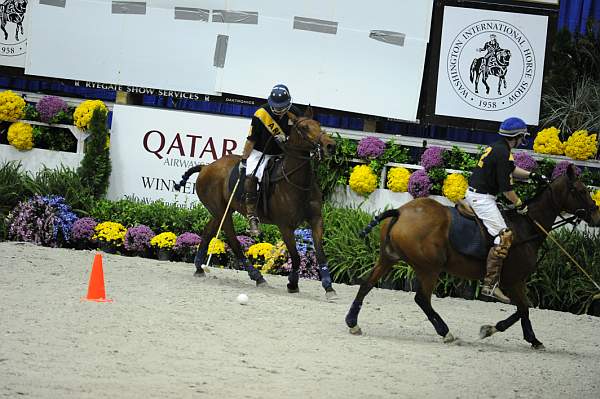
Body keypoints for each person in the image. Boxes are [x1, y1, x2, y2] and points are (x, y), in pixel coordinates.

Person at [465, 117, 545, 303]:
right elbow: (507, 190)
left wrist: (533, 175)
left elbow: (512, 169)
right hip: (482, 199)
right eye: (522, 136)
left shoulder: (498, 147)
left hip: (478, 194)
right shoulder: (503, 153)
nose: (522, 139)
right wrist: (520, 205)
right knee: (505, 236)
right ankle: (490, 285)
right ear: (517, 137)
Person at [238, 84, 301, 236]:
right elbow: (251, 140)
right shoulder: (261, 114)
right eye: (276, 107)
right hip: (260, 152)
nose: (278, 110)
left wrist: (287, 138)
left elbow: (301, 135)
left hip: (283, 153)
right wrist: (244, 159)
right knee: (252, 177)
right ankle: (252, 217)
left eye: (282, 107)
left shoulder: (295, 113)